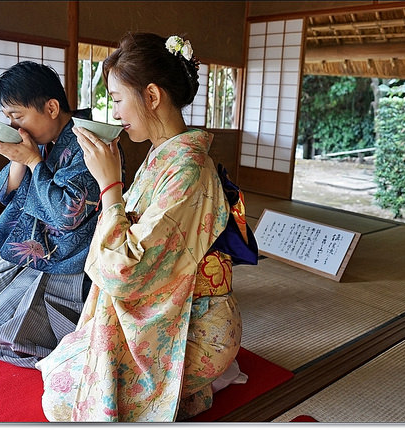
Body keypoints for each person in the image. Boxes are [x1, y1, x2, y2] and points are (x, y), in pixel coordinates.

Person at [36, 33, 249, 422]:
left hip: (196, 321)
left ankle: (194, 378)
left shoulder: (186, 168)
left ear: (151, 96)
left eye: (117, 99)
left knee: (64, 399)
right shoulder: (164, 153)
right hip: (164, 304)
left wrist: (110, 185)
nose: (115, 113)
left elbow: (126, 272)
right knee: (62, 369)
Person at [0, 61, 101, 369]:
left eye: (18, 117)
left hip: (68, 258)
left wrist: (32, 160)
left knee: (2, 332)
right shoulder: (45, 139)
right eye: (8, 118)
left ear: (52, 107)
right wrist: (16, 156)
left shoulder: (88, 143)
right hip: (34, 244)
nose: (16, 126)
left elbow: (66, 216)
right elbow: (7, 192)